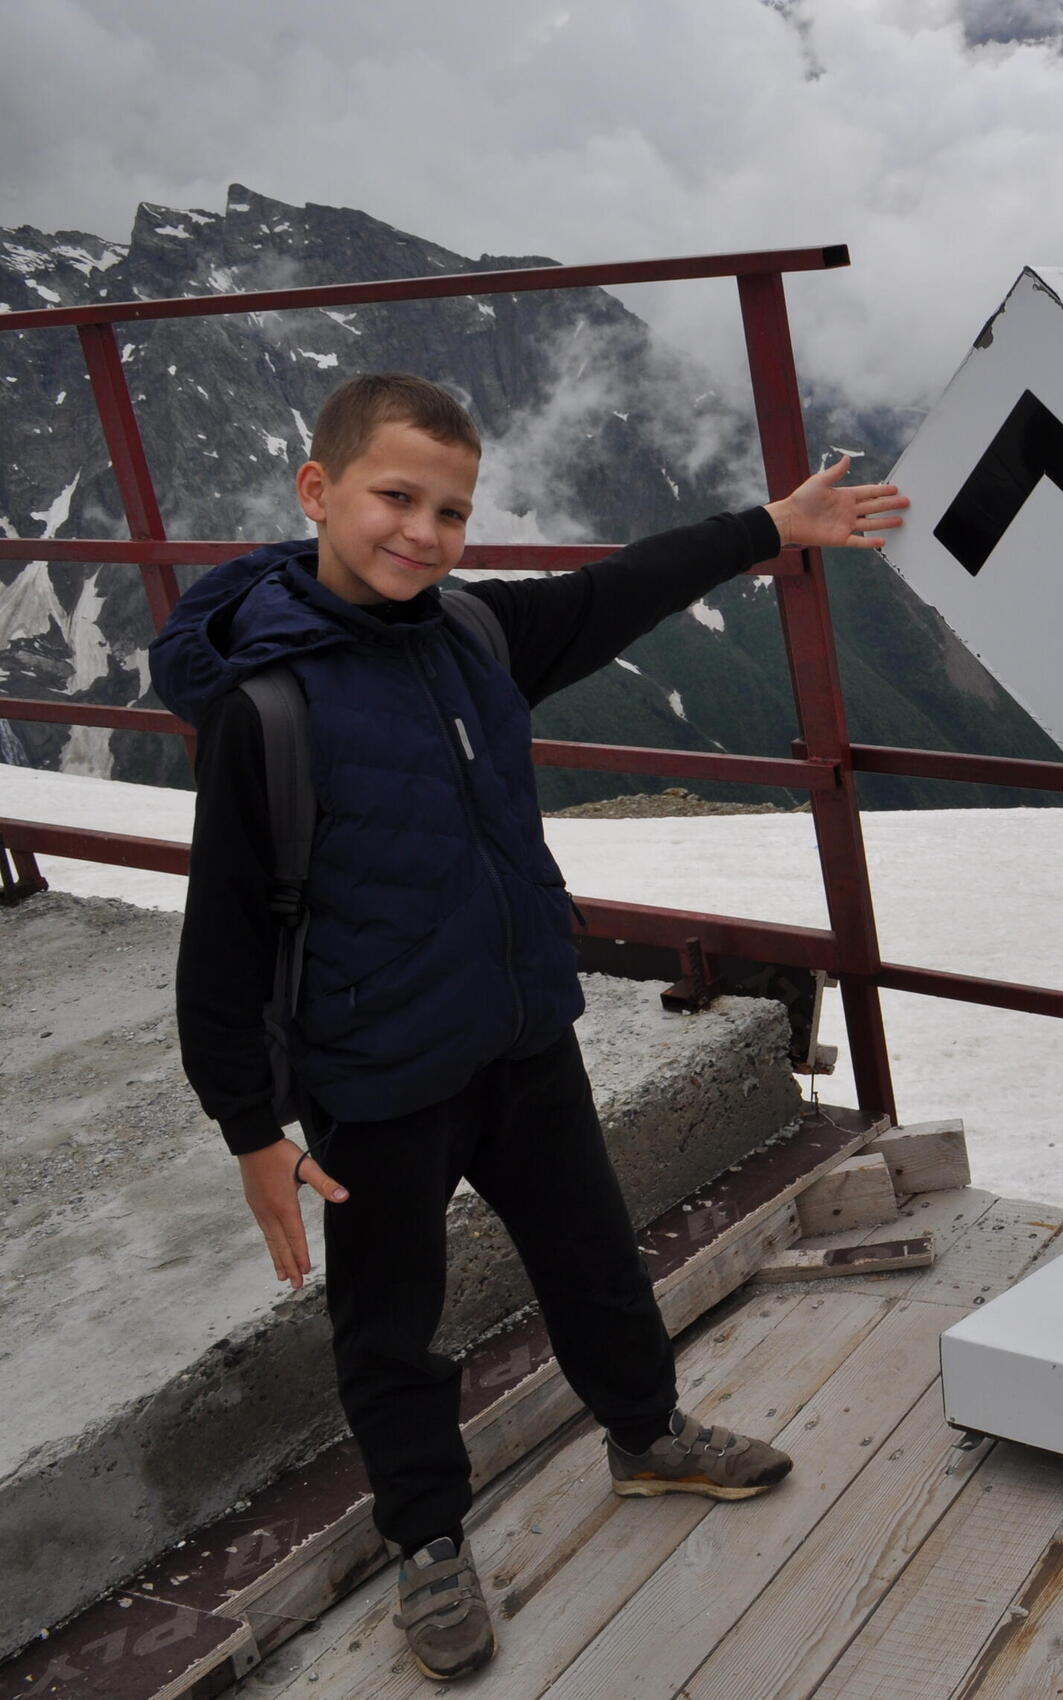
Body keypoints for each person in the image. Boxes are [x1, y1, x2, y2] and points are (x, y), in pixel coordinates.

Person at [147, 371, 907, 1681]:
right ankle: (428, 1541)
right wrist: (252, 1130)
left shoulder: (474, 632)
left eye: (452, 510)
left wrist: (772, 526)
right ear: (317, 491)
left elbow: (619, 589)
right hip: (376, 1074)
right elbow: (218, 945)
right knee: (392, 1326)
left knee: (594, 1255)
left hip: (519, 1035)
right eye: (396, 498)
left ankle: (647, 1436)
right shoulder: (267, 709)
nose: (424, 532)